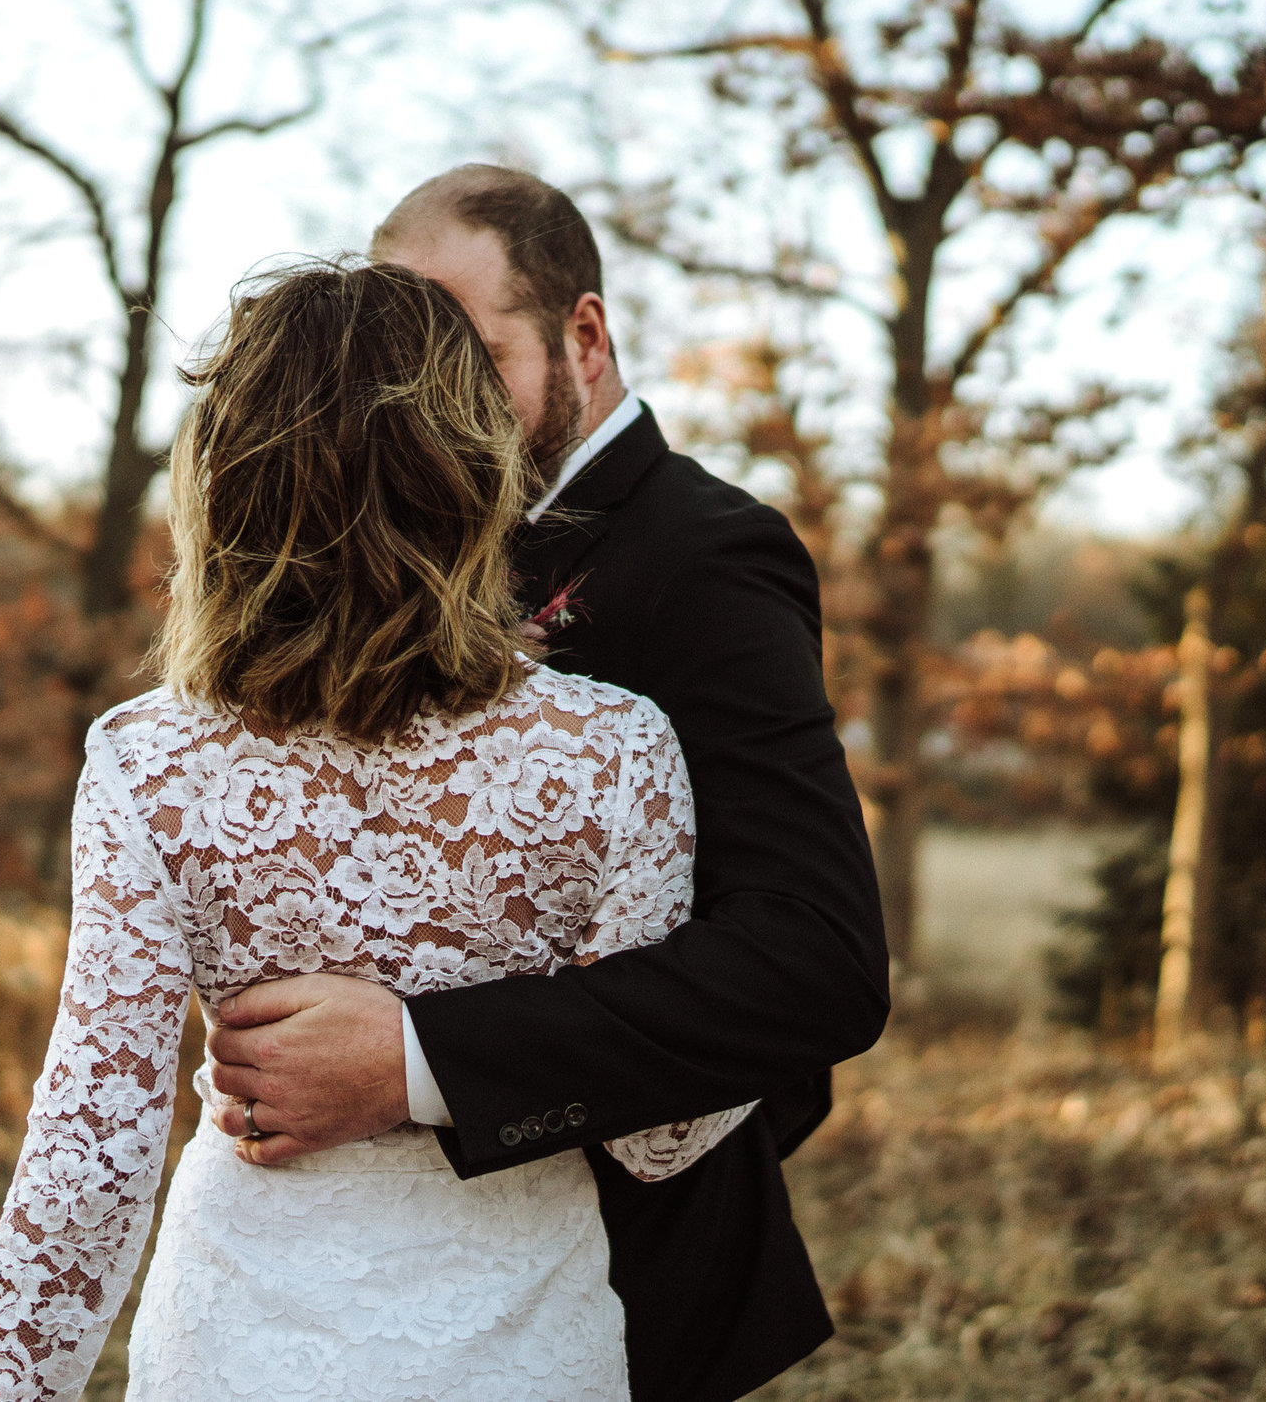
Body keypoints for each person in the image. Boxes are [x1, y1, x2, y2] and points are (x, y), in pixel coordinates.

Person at [0, 259, 749, 1402]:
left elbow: (95, 1141)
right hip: (520, 1349)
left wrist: (9, 1394)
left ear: (222, 485)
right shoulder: (615, 748)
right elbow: (659, 1137)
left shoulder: (152, 760)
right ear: (472, 469)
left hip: (236, 1344)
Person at [205, 167, 891, 1401]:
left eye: (471, 356)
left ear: (585, 333)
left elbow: (812, 959)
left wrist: (412, 1057)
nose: (425, 410)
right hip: (328, 1282)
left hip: (618, 1281)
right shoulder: (382, 551)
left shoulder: (701, 553)